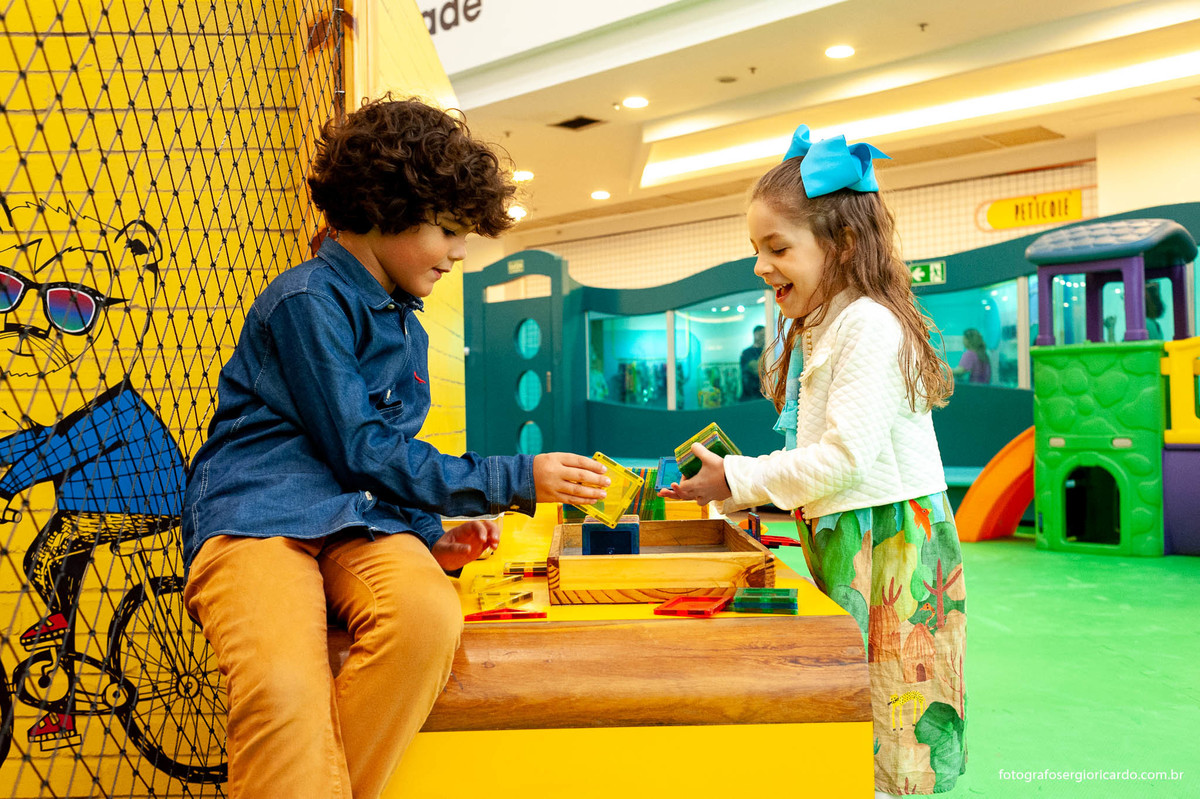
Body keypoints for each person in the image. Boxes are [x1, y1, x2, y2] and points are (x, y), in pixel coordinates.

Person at [181, 97, 609, 799]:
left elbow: (384, 461)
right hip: (258, 515)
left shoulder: (407, 328)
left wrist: (427, 537)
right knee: (285, 683)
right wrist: (517, 475)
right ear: (384, 207)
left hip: (354, 522)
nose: (459, 252)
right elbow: (361, 447)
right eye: (447, 230)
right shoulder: (308, 299)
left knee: (426, 617)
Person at [660, 125, 967, 797]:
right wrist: (728, 490)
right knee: (852, 688)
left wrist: (735, 479)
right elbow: (819, 459)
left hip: (888, 541)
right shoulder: (828, 322)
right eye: (756, 249)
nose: (761, 266)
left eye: (777, 248)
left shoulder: (868, 326)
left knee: (894, 698)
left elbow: (844, 458)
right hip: (850, 533)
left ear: (844, 244)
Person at [740, 324, 766, 400]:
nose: (763, 337)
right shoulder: (747, 353)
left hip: (764, 395)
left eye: (765, 335)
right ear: (755, 334)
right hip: (750, 397)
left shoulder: (769, 352)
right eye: (761, 334)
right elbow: (756, 369)